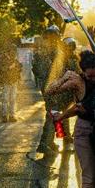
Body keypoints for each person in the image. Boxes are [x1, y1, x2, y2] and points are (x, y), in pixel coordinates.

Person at [45, 50, 95, 188]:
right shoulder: (77, 81)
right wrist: (63, 78)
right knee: (89, 175)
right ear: (83, 72)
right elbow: (50, 90)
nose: (93, 79)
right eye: (89, 76)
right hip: (84, 131)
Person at [34, 26, 78, 154]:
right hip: (54, 89)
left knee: (60, 115)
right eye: (50, 36)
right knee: (54, 115)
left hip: (57, 88)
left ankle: (60, 139)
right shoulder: (49, 51)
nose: (52, 39)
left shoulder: (47, 50)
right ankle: (44, 143)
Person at [0, 44, 21, 122]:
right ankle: (4, 115)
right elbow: (0, 69)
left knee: (13, 99)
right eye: (12, 50)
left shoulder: (15, 59)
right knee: (5, 99)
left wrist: (18, 69)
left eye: (14, 51)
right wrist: (10, 67)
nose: (13, 52)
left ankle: (12, 115)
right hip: (6, 81)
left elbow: (18, 69)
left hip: (14, 81)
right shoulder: (3, 59)